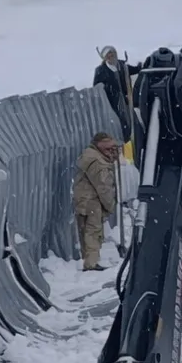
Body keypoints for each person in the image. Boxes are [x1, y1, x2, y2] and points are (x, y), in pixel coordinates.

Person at [73, 132, 119, 271]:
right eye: (108, 149)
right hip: (91, 201)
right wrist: (110, 205)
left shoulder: (91, 155)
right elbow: (103, 187)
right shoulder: (98, 163)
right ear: (99, 145)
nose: (112, 152)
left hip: (84, 199)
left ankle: (88, 260)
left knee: (86, 231)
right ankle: (91, 264)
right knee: (93, 231)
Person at [92, 46, 141, 140]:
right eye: (108, 55)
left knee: (132, 121)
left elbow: (135, 70)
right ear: (104, 58)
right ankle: (125, 142)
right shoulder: (101, 70)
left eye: (112, 53)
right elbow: (97, 88)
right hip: (113, 103)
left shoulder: (123, 65)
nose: (111, 56)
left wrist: (140, 64)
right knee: (120, 124)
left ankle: (133, 140)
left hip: (127, 100)